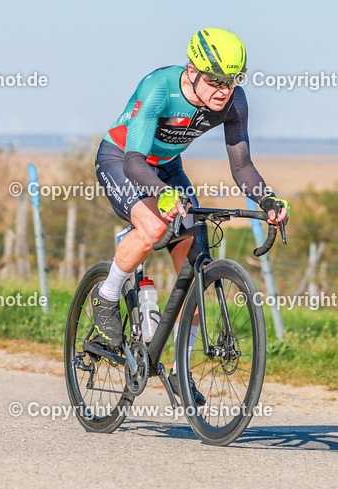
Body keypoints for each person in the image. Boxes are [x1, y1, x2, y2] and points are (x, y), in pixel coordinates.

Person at [91, 27, 289, 402]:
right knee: (151, 228)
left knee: (196, 261)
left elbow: (242, 165)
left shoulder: (234, 103)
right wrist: (163, 196)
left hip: (166, 167)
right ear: (192, 71)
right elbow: (135, 160)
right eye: (215, 80)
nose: (223, 90)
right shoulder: (159, 88)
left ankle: (182, 371)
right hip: (123, 160)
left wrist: (268, 201)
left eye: (233, 81)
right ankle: (107, 294)